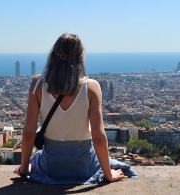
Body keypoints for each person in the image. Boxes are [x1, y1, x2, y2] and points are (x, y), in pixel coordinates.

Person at [14, 33, 137, 184]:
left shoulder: (38, 84)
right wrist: (108, 175)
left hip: (52, 167)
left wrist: (24, 169)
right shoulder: (91, 87)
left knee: (37, 160)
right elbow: (98, 137)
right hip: (84, 167)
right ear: (80, 57)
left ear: (54, 55)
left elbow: (28, 133)